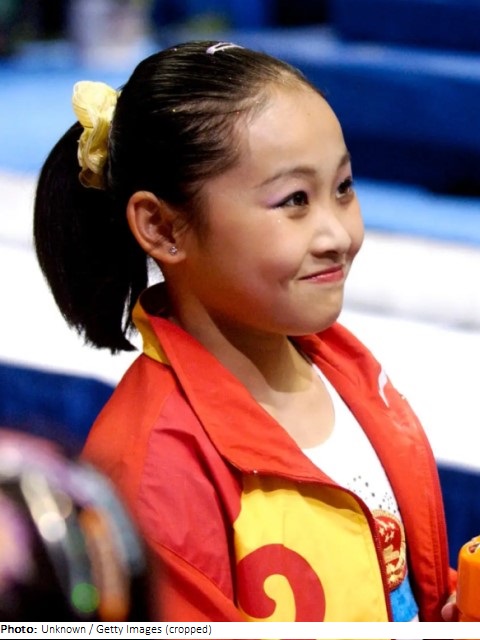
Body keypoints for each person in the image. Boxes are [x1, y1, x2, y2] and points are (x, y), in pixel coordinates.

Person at [33, 40, 457, 622]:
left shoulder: (345, 366)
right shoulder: (152, 472)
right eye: (294, 200)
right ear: (162, 228)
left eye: (343, 187)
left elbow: (395, 579)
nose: (339, 234)